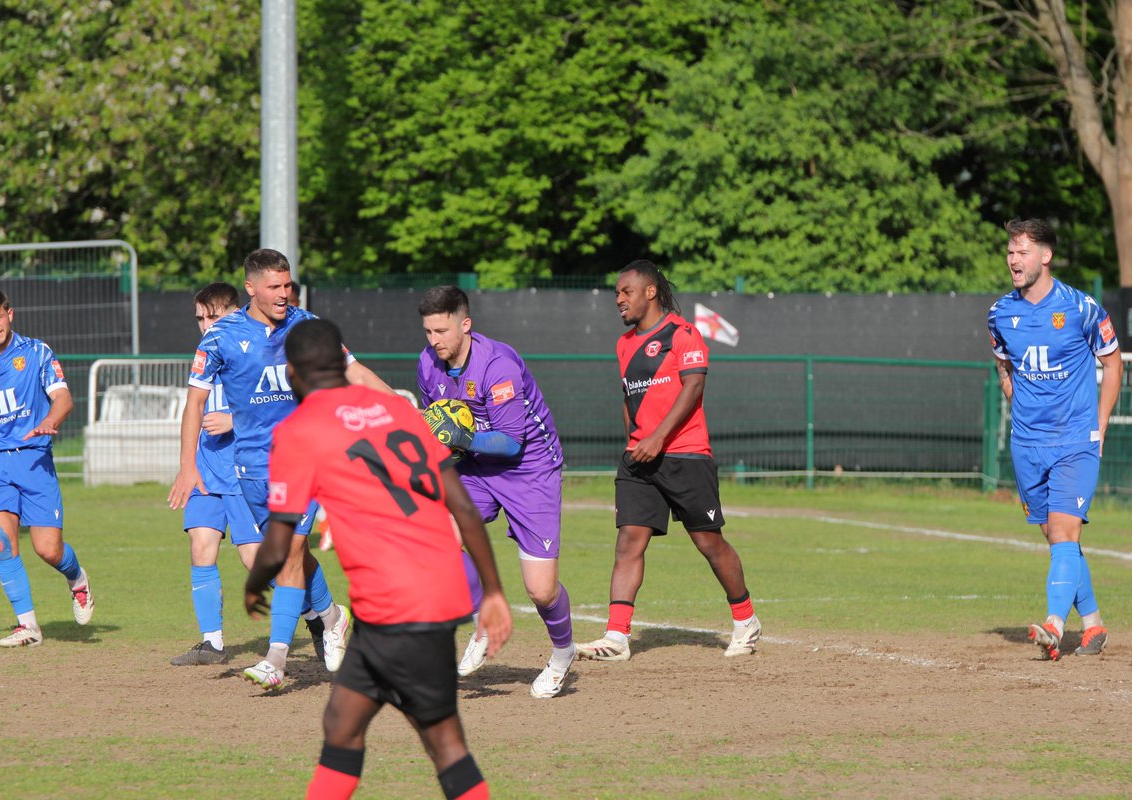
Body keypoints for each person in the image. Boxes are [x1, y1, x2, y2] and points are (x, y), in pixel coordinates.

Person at [244, 318, 512, 800]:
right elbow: (463, 506)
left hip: (396, 605)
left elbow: (280, 537)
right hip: (427, 594)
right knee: (343, 724)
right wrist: (491, 590)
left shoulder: (300, 428)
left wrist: (253, 583)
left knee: (442, 743)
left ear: (293, 372)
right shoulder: (397, 409)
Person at [168, 248, 391, 691]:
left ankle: (275, 659)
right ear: (250, 288)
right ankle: (332, 616)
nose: (283, 293)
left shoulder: (307, 326)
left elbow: (355, 372)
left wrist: (402, 408)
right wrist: (187, 466)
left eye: (287, 285)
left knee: (289, 552)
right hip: (250, 466)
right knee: (290, 556)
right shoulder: (220, 336)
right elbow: (195, 403)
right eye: (274, 286)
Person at [576, 260, 761, 662]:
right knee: (628, 541)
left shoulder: (683, 334)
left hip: (685, 455)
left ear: (650, 292)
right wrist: (634, 442)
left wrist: (658, 438)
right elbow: (628, 397)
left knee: (708, 542)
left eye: (626, 292)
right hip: (639, 460)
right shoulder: (624, 344)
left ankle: (746, 620)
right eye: (616, 293)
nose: (619, 299)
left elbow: (693, 387)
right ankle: (617, 637)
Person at [417, 285, 574, 699]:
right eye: (428, 331)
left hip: (529, 469)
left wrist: (460, 438)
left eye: (442, 331)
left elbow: (510, 442)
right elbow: (438, 427)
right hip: (476, 466)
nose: (434, 340)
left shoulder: (497, 365)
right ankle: (483, 620)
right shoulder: (427, 363)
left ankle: (563, 654)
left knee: (541, 590)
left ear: (465, 325)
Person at [988, 218, 1123, 660]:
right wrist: (1018, 401)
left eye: (1022, 251)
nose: (1013, 259)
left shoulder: (1081, 308)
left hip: (1075, 440)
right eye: (1011, 251)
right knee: (1055, 535)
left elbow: (1114, 363)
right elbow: (1004, 366)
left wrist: (1100, 424)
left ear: (1045, 256)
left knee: (1065, 531)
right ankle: (1094, 625)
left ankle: (1054, 624)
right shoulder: (999, 313)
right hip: (1027, 444)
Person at [0, 287, 94, 646]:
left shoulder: (37, 352)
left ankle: (77, 579)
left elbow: (63, 397)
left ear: (10, 314)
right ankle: (28, 626)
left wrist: (50, 420)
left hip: (34, 461)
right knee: (1, 541)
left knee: (48, 549)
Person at [170, 282, 264, 666]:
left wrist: (234, 420)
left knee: (255, 561)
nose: (206, 325)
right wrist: (187, 467)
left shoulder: (255, 352)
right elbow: (192, 408)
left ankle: (320, 615)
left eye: (214, 316)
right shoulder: (204, 356)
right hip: (207, 470)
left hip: (245, 472)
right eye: (200, 318)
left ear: (235, 313)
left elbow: (277, 408)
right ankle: (213, 643)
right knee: (201, 545)